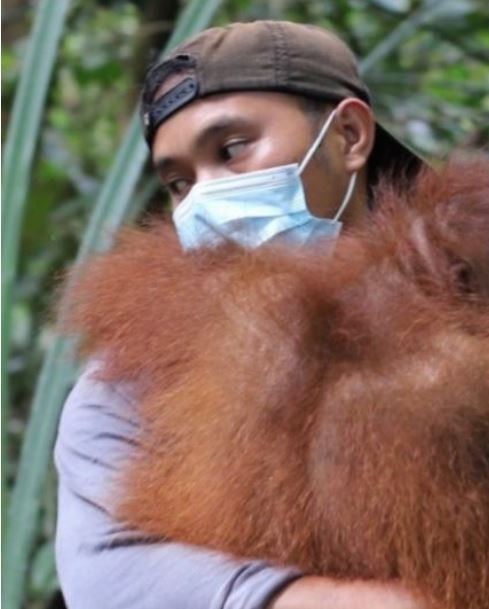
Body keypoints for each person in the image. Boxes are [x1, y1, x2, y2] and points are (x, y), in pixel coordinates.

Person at [54, 20, 425, 609]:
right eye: (178, 183)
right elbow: (114, 578)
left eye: (232, 149)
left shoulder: (463, 295)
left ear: (349, 135)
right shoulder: (128, 381)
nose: (203, 199)